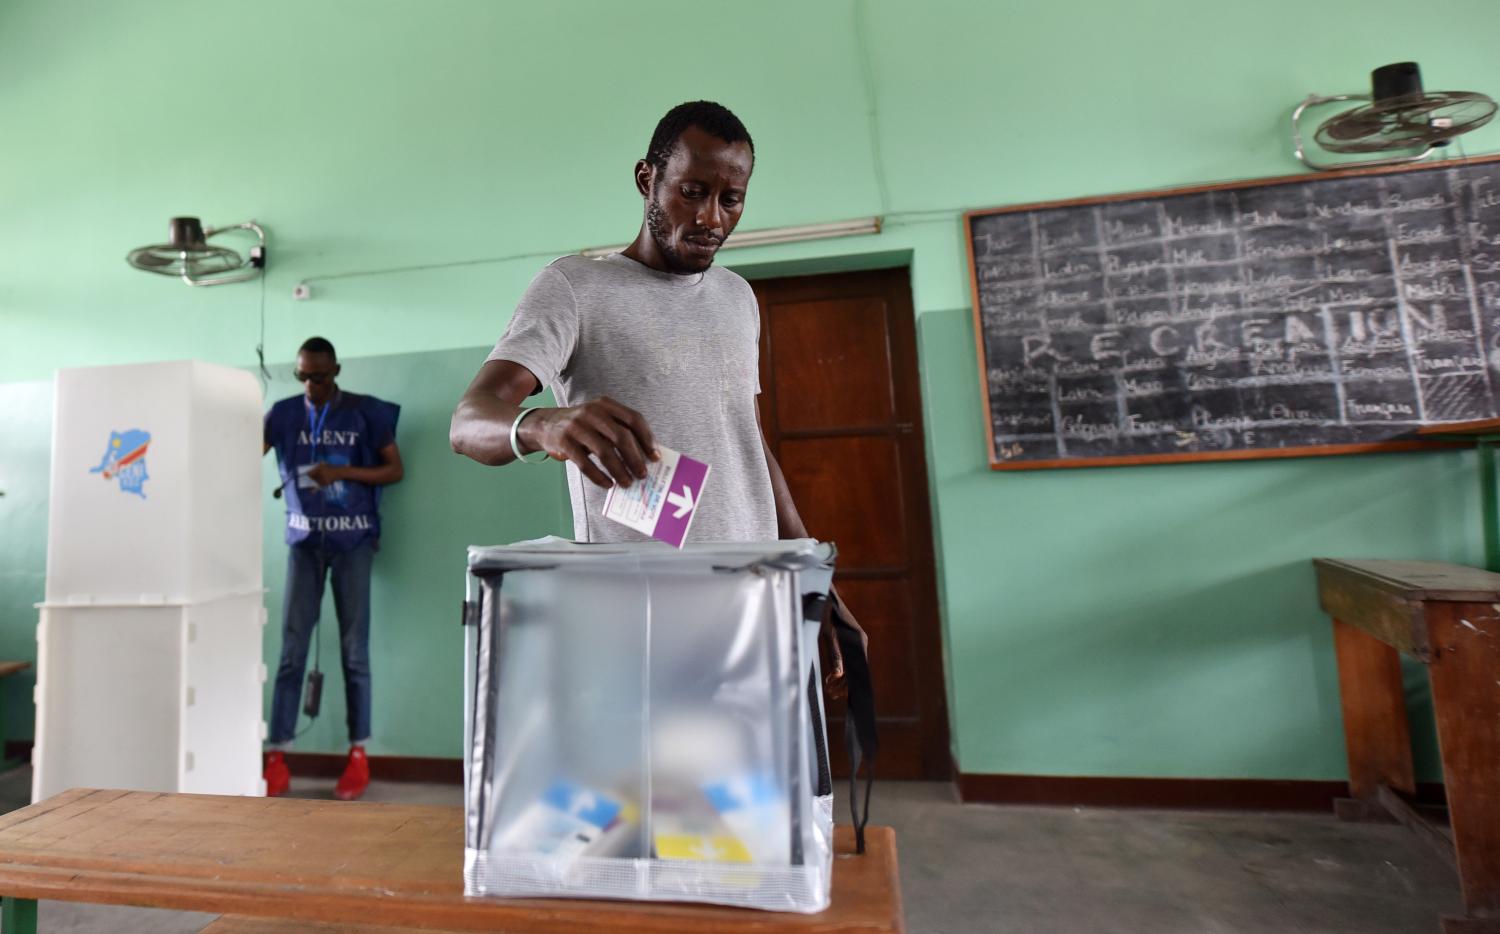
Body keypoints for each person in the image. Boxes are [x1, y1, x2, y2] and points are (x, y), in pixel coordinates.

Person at [450, 100, 865, 678]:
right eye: (692, 192)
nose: (711, 218)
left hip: (755, 600)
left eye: (731, 199)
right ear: (647, 179)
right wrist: (543, 424)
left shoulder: (737, 297)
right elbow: (468, 422)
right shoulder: (576, 287)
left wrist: (815, 579)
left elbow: (748, 446)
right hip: (641, 614)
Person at [262, 337, 403, 800]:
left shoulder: (364, 412)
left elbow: (394, 470)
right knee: (291, 652)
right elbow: (241, 453)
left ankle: (358, 755)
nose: (310, 385)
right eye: (302, 376)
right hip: (304, 544)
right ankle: (277, 756)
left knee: (354, 652)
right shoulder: (284, 413)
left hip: (353, 542)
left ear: (336, 371)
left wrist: (340, 473)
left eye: (319, 377)